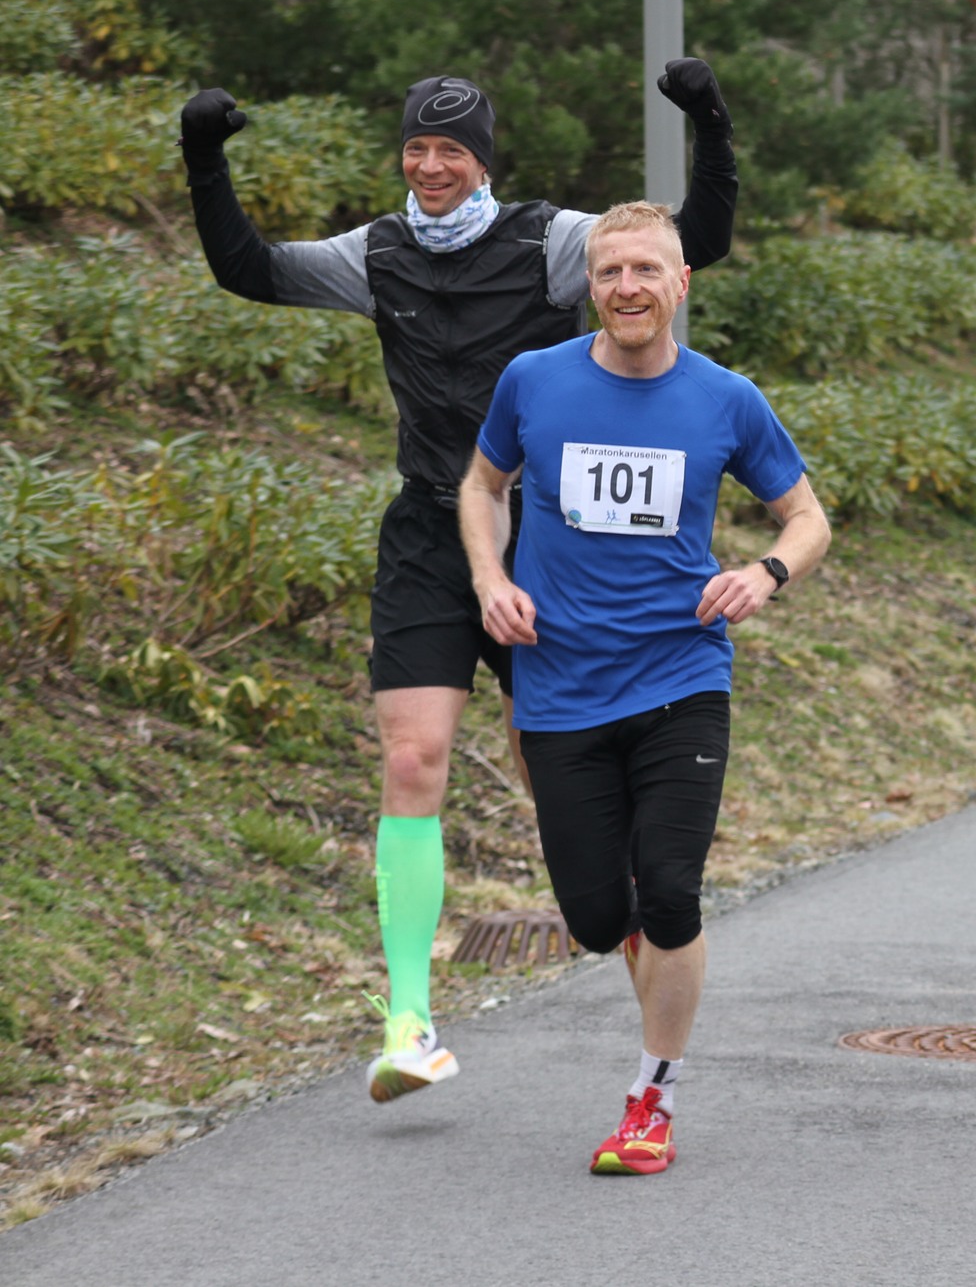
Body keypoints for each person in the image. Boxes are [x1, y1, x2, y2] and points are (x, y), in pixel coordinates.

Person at [177, 63, 739, 1102]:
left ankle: (651, 994)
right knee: (412, 755)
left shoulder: (551, 242)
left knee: (555, 782)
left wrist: (709, 122)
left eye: (452, 150)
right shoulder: (375, 252)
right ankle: (408, 1021)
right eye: (416, 149)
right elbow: (249, 269)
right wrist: (204, 157)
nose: (431, 166)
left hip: (549, 544)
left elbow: (689, 239)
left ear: (484, 161)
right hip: (431, 535)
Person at [459, 201, 829, 1174]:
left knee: (669, 889)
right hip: (559, 686)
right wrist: (490, 579)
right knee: (595, 920)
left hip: (681, 673)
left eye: (646, 271)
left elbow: (807, 519)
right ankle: (635, 936)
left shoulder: (725, 398)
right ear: (590, 285)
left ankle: (649, 1101)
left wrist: (764, 574)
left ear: (680, 283)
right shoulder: (533, 380)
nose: (628, 287)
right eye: (610, 272)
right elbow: (482, 485)